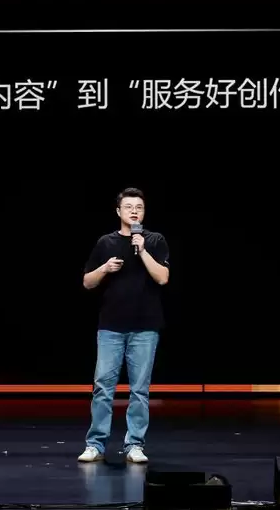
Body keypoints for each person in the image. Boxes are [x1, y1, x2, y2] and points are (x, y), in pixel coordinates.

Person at [77, 187, 170, 464]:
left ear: (144, 212)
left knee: (139, 390)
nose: (134, 211)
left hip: (145, 326)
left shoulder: (154, 240)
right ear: (118, 211)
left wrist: (142, 251)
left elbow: (163, 277)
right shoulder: (105, 242)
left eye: (139, 207)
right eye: (128, 207)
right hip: (111, 327)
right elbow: (87, 282)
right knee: (103, 386)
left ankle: (135, 444)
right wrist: (104, 268)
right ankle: (95, 444)